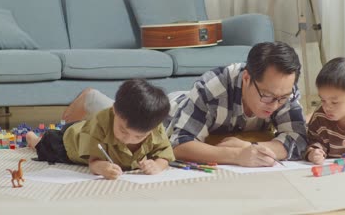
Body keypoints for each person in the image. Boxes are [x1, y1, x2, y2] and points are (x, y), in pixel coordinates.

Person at [61, 41, 308, 167]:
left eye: (283, 98)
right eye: (268, 96)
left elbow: (297, 137)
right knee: (125, 116)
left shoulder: (282, 87)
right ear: (247, 78)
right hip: (172, 112)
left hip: (221, 129)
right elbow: (179, 144)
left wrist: (252, 147)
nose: (275, 104)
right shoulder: (214, 87)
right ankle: (92, 98)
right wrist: (234, 155)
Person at [27, 79, 175, 179]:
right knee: (47, 146)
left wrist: (157, 165)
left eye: (138, 137)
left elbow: (165, 155)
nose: (128, 139)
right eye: (123, 131)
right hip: (72, 140)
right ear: (115, 110)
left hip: (85, 130)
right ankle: (34, 139)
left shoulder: (154, 126)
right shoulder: (99, 124)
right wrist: (102, 168)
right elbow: (93, 162)